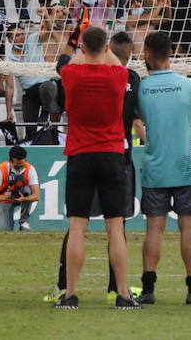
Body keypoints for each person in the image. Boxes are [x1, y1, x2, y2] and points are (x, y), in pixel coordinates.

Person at [55, 25, 138, 310]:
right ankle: (124, 295)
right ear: (106, 49)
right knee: (115, 227)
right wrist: (103, 50)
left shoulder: (72, 74)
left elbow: (68, 60)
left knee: (77, 227)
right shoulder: (118, 75)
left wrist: (80, 45)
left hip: (80, 154)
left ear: (83, 49)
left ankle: (71, 294)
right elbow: (113, 59)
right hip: (112, 154)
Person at [134, 31, 191, 305]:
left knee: (154, 229)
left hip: (155, 166)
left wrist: (146, 130)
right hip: (187, 166)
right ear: (171, 53)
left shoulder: (141, 87)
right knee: (189, 229)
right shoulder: (190, 85)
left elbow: (135, 118)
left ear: (148, 54)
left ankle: (148, 290)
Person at [0, 145, 41, 232]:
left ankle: (24, 221)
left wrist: (24, 198)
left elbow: (36, 196)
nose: (19, 168)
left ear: (25, 160)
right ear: (10, 161)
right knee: (5, 230)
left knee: (27, 191)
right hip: (5, 199)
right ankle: (3, 227)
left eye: (22, 165)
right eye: (16, 166)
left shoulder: (30, 169)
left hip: (23, 196)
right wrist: (5, 197)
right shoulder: (1, 169)